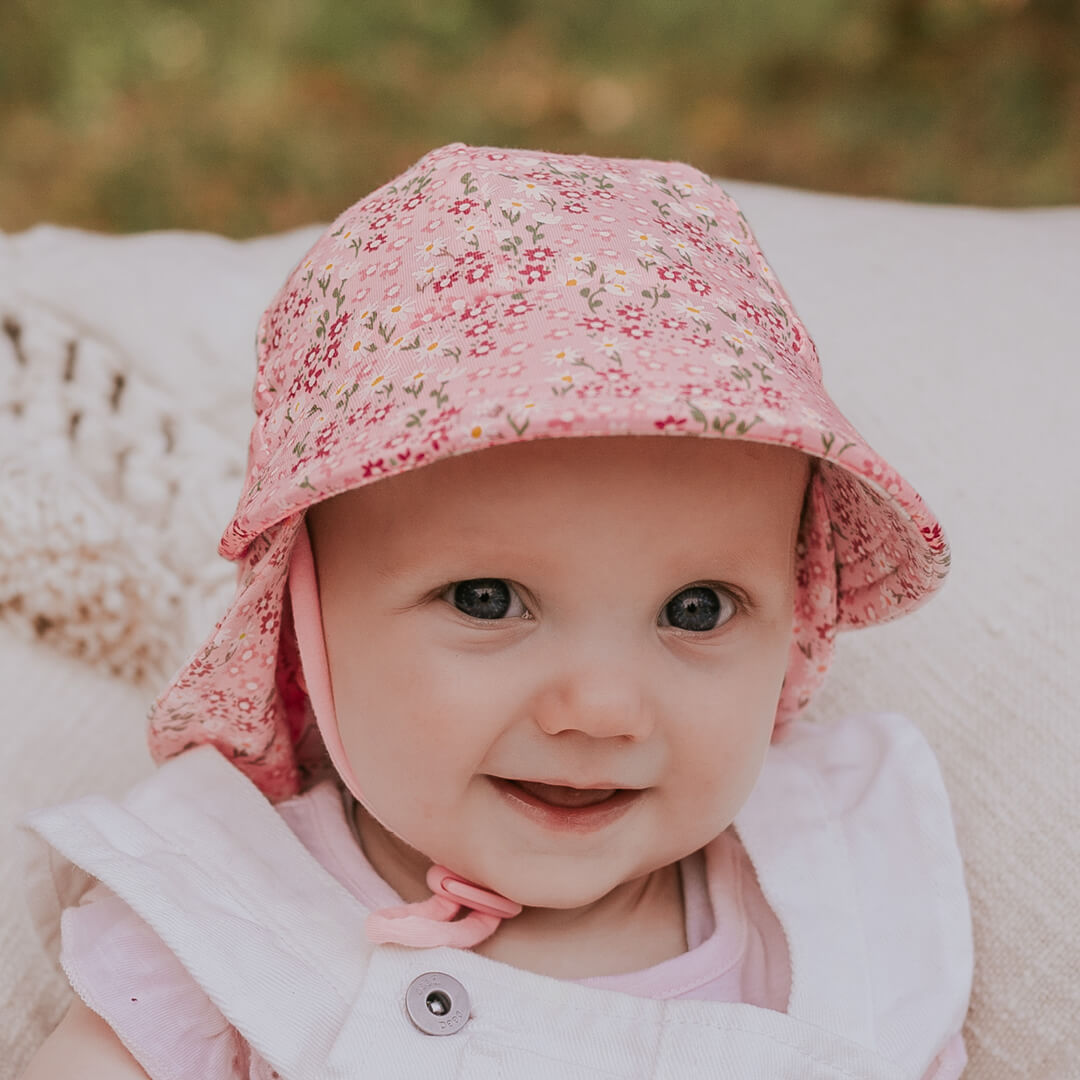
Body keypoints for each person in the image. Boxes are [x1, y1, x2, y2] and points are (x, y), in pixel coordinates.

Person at [19, 142, 972, 1079]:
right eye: (488, 600)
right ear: (304, 622)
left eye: (697, 608)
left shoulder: (842, 908)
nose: (600, 709)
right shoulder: (221, 922)